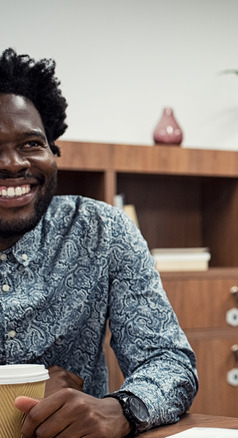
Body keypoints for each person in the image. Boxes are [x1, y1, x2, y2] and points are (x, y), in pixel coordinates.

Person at [0, 48, 197, 437]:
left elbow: (168, 360)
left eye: (30, 144)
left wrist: (121, 409)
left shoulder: (100, 230)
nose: (12, 163)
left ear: (53, 149)